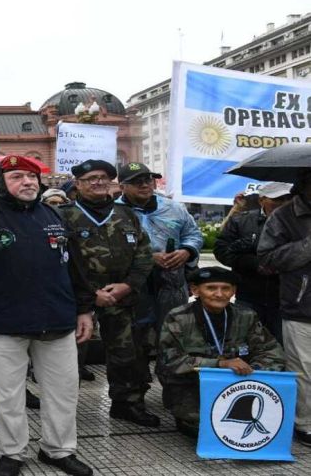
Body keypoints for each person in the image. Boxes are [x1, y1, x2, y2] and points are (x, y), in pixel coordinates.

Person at [0, 155, 93, 476]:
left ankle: (57, 450)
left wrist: (85, 309)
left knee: (63, 391)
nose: (27, 182)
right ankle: (12, 452)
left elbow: (75, 266)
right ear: (0, 182)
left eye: (31, 176)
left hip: (56, 319)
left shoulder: (53, 214)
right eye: (17, 177)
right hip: (4, 321)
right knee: (7, 395)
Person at [59, 160, 159, 427]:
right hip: (77, 302)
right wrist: (92, 295)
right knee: (69, 358)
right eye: (91, 178)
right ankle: (62, 413)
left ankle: (127, 404)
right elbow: (57, 260)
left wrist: (128, 285)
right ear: (78, 184)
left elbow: (144, 256)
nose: (98, 182)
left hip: (121, 297)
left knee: (128, 353)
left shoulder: (127, 215)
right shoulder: (61, 216)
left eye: (103, 177)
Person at [157, 267, 285, 438]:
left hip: (238, 385)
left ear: (234, 291)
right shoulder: (178, 317)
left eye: (225, 288)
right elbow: (169, 361)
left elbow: (272, 351)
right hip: (193, 385)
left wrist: (252, 372)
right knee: (207, 429)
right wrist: (220, 364)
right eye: (211, 288)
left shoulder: (245, 315)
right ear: (195, 290)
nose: (219, 294)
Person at [116, 162, 203, 345]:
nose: (144, 185)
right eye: (136, 181)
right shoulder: (113, 211)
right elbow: (109, 249)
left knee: (175, 331)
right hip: (132, 283)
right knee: (134, 336)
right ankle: (140, 371)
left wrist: (187, 251)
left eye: (148, 179)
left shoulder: (174, 208)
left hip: (171, 279)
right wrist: (147, 258)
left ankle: (172, 371)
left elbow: (193, 234)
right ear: (122, 186)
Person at [257, 169, 311, 446]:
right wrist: (307, 246)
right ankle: (305, 424)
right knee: (305, 369)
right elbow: (267, 260)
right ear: (303, 186)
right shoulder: (284, 216)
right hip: (302, 306)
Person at [213, 182, 293, 342]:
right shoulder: (240, 221)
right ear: (262, 200)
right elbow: (222, 251)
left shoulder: (299, 223)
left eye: (287, 198)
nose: (282, 203)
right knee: (245, 343)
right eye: (277, 199)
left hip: (286, 298)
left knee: (283, 345)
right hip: (248, 295)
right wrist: (255, 264)